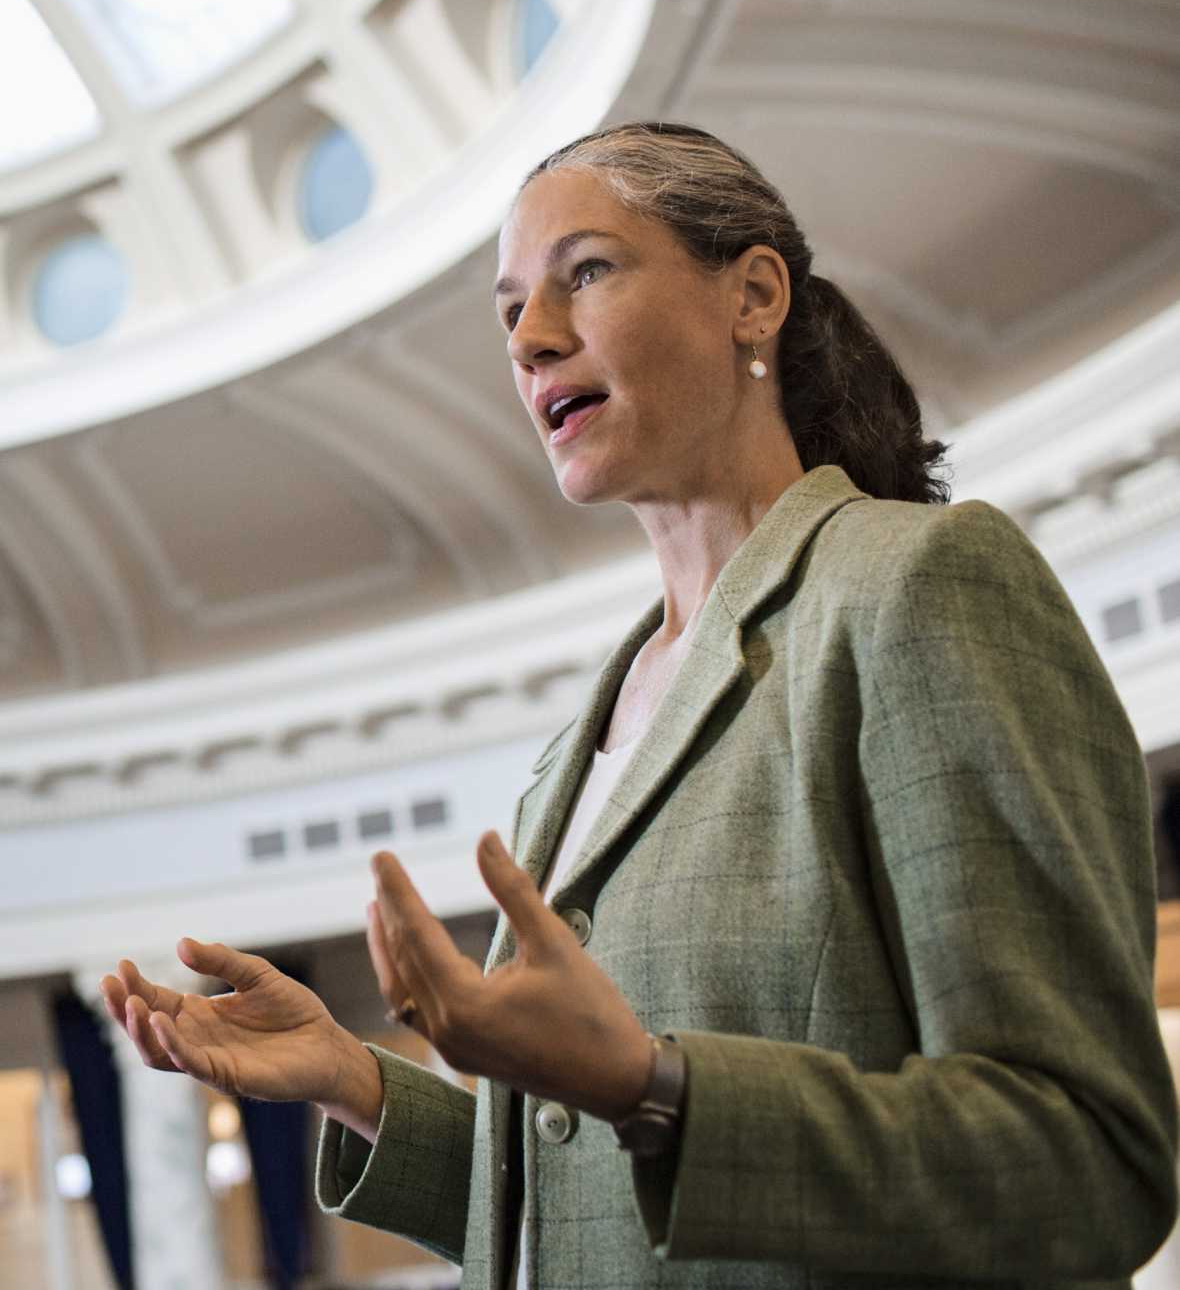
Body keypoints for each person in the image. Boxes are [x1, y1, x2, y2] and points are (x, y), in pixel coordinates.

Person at [101, 121, 1179, 1289]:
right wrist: (353, 1079)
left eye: (586, 273)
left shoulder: (913, 587)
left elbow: (1086, 1159)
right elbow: (584, 1214)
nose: (530, 339)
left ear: (753, 295)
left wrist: (651, 1084)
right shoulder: (579, 749)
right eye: (510, 310)